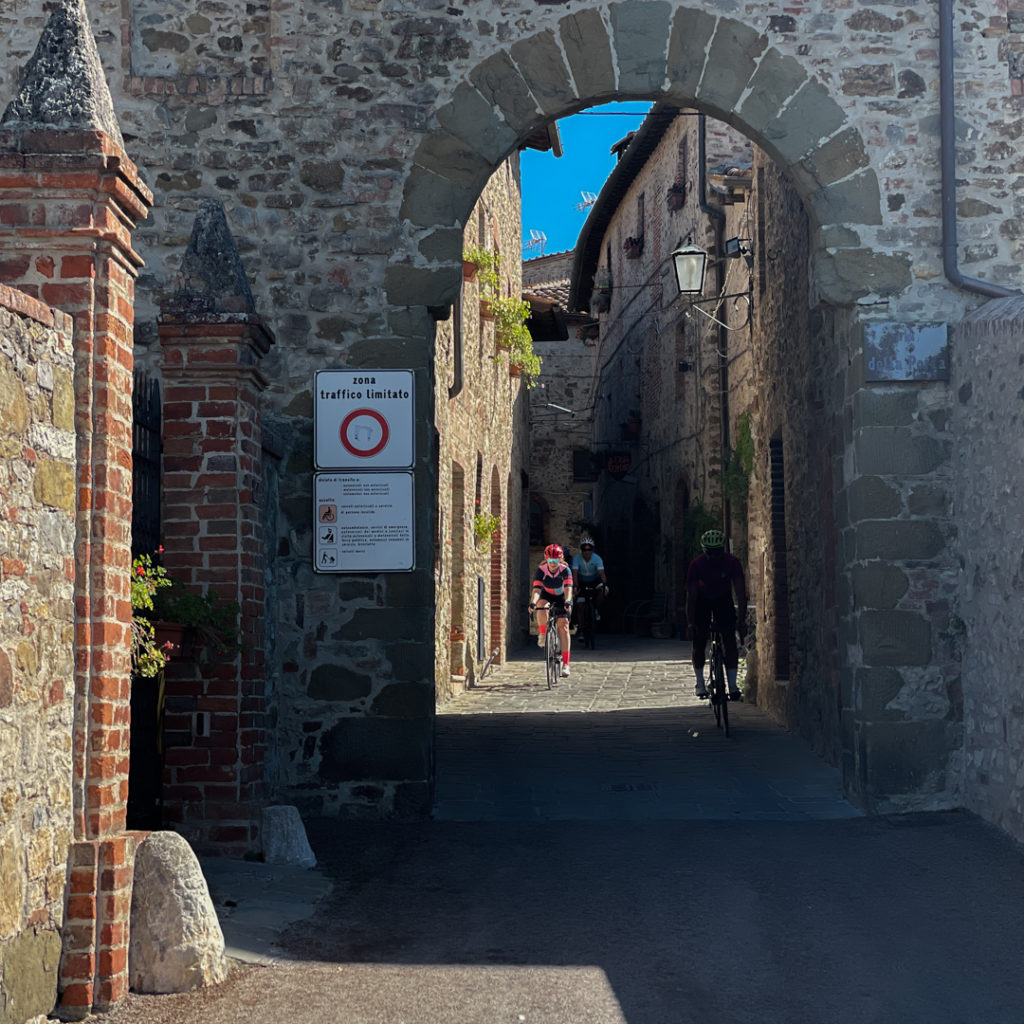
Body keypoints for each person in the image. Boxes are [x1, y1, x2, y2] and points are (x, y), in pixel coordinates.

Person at [686, 528, 747, 700]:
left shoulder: (732, 562)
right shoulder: (696, 565)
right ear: (704, 551)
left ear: (723, 550)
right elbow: (691, 597)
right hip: (702, 601)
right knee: (699, 641)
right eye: (710, 553)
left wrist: (741, 621)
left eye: (717, 553)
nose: (714, 557)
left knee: (729, 639)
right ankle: (700, 683)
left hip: (723, 599)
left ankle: (733, 685)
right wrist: (691, 623)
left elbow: (741, 592)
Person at [529, 543, 573, 678]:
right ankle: (542, 634)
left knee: (563, 626)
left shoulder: (565, 570)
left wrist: (568, 601)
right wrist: (533, 602)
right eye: (550, 560)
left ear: (560, 559)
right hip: (547, 594)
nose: (553, 564)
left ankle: (566, 664)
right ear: (546, 559)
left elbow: (568, 588)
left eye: (555, 561)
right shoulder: (541, 570)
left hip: (562, 596)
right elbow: (537, 589)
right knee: (541, 606)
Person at [571, 537, 608, 624]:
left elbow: (602, 574)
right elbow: (575, 574)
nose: (587, 552)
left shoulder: (597, 559)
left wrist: (604, 584)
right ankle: (580, 628)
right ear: (581, 550)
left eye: (589, 549)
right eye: (584, 549)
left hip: (594, 581)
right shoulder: (576, 558)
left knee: (604, 591)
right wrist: (575, 586)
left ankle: (595, 609)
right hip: (581, 582)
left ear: (592, 549)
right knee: (580, 605)